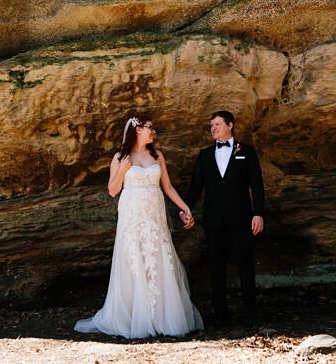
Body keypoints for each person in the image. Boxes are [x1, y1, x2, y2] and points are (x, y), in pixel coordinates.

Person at [75, 115, 203, 338]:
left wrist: (186, 208)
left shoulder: (157, 156)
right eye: (150, 128)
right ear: (137, 130)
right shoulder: (120, 157)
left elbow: (168, 187)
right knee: (134, 260)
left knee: (157, 259)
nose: (153, 132)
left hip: (155, 217)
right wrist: (123, 170)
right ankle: (135, 317)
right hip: (132, 217)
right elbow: (113, 190)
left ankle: (162, 317)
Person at [182, 110, 265, 328]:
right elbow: (195, 188)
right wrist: (184, 210)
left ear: (230, 125)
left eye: (218, 124)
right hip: (214, 221)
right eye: (211, 125)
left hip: (242, 219)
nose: (213, 128)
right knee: (216, 268)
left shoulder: (246, 151)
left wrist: (258, 213)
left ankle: (250, 315)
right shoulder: (206, 154)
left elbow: (256, 185)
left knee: (246, 267)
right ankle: (220, 316)